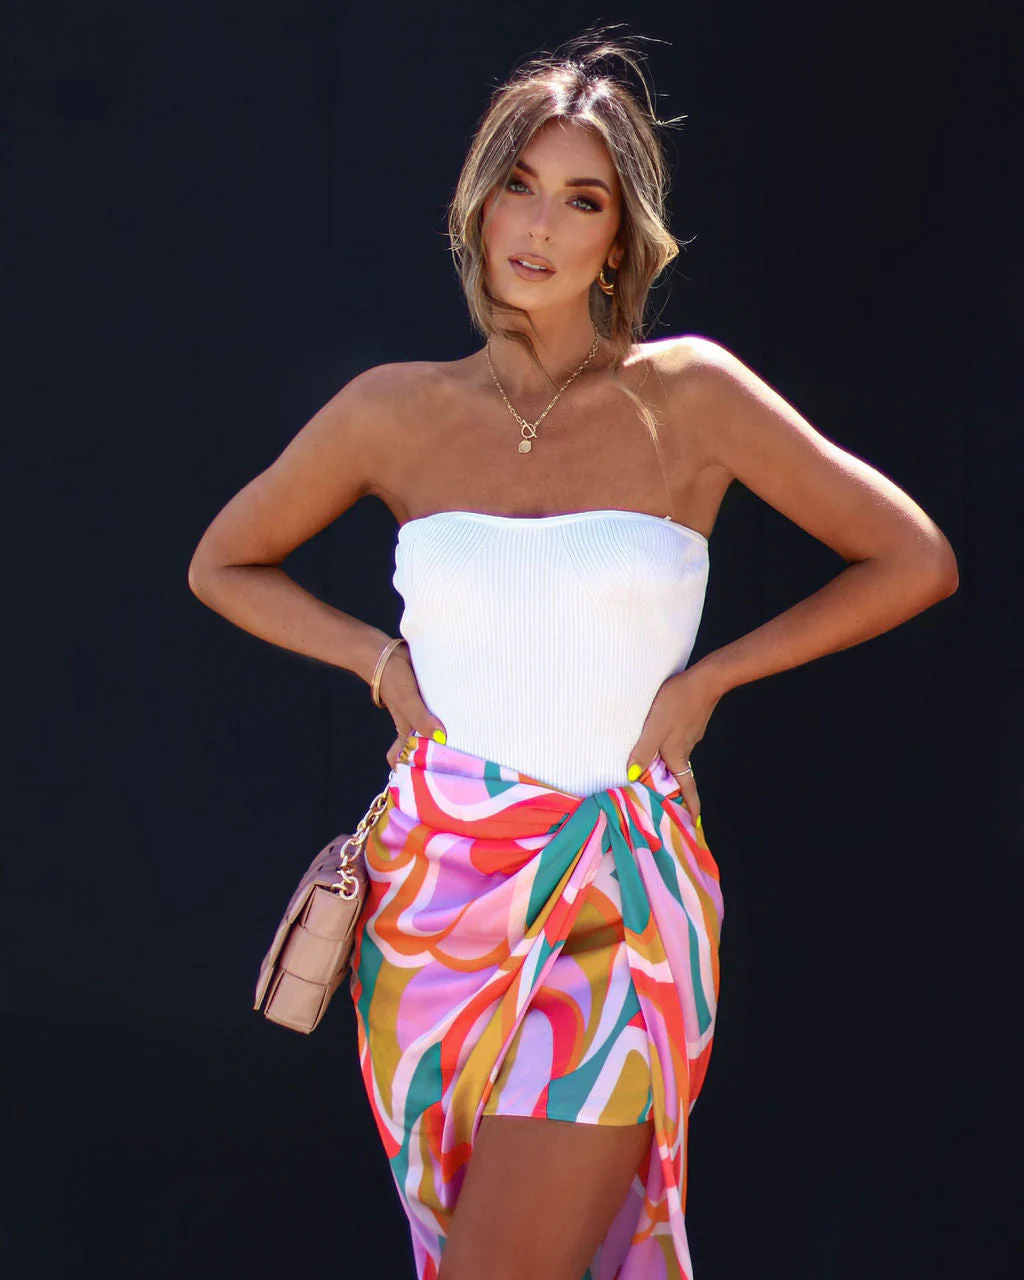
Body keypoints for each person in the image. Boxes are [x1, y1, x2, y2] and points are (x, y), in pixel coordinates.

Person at [187, 28, 959, 1280]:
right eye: (519, 185)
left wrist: (709, 681)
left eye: (580, 198)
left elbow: (911, 556)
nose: (538, 224)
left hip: (616, 885)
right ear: (478, 203)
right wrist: (380, 664)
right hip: (435, 897)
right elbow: (222, 560)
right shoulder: (395, 410)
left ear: (621, 236)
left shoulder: (689, 394)